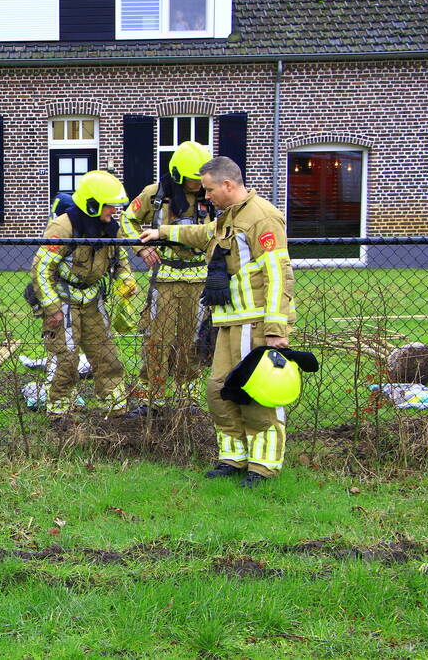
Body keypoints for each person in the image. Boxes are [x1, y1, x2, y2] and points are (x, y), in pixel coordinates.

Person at [139, 156, 295, 487]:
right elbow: (203, 233)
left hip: (256, 325)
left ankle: (263, 468)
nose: (205, 196)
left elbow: (278, 276)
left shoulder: (262, 218)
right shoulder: (228, 218)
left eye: (209, 189)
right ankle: (234, 460)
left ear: (227, 185)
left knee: (257, 397)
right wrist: (162, 232)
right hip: (230, 322)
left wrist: (275, 330)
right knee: (219, 393)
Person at [31, 170, 138, 420]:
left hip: (92, 299)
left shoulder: (110, 228)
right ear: (92, 204)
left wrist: (126, 279)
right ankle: (59, 412)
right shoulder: (63, 227)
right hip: (63, 300)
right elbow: (41, 268)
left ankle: (115, 406)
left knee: (106, 354)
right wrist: (52, 308)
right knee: (66, 357)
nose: (114, 211)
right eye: (110, 206)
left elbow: (120, 259)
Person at [120, 141, 216, 416]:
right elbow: (127, 220)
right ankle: (150, 398)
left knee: (192, 342)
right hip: (164, 279)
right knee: (156, 340)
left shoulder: (210, 196)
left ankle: (188, 399)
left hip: (199, 281)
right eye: (191, 180)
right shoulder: (155, 194)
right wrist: (142, 247)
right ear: (176, 174)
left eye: (201, 180)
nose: (197, 185)